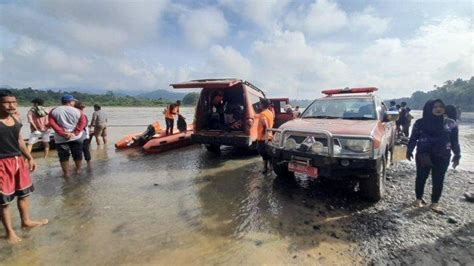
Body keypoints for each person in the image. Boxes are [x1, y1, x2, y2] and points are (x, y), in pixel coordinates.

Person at [0, 89, 48, 244]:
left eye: (14, 102)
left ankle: (26, 221)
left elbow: (19, 139)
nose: (11, 105)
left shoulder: (15, 117)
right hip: (2, 163)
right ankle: (9, 232)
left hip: (18, 160)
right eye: (7, 102)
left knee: (23, 193)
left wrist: (29, 157)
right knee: (3, 200)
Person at [407, 99, 461, 214]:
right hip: (423, 155)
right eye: (435, 106)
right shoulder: (420, 123)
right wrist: (409, 150)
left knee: (439, 179)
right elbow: (413, 138)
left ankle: (435, 202)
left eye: (441, 106)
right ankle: (418, 199)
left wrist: (457, 155)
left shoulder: (450, 123)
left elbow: (455, 141)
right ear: (429, 108)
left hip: (443, 155)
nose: (438, 109)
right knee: (421, 177)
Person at [49, 95, 87, 177]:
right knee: (78, 154)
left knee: (63, 157)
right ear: (70, 102)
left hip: (61, 139)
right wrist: (75, 133)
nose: (74, 103)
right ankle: (78, 170)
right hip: (76, 137)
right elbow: (82, 123)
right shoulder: (78, 111)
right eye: (73, 101)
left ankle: (66, 174)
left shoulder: (53, 111)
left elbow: (52, 124)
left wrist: (63, 133)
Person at [256, 98, 275, 174]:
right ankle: (271, 168)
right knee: (269, 154)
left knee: (263, 153)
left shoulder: (263, 114)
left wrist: (264, 131)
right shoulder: (270, 113)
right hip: (270, 136)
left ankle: (265, 169)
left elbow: (265, 124)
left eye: (260, 103)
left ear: (262, 104)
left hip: (263, 138)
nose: (259, 105)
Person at [75, 102, 91, 167]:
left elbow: (84, 125)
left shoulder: (78, 115)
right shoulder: (83, 115)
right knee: (86, 149)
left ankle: (78, 167)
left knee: (78, 151)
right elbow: (86, 124)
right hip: (84, 135)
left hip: (79, 135)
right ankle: (88, 165)